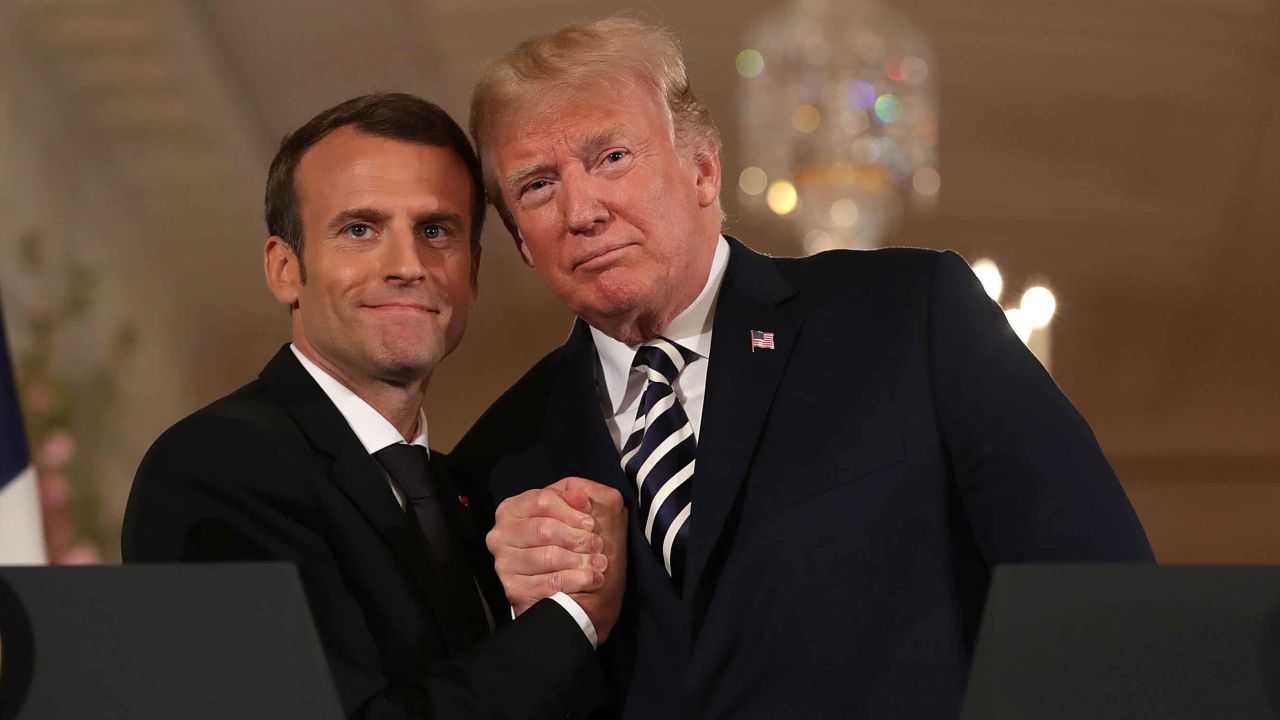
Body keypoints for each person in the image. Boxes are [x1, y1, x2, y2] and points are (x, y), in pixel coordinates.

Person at [450, 19, 1155, 718]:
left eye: (611, 158)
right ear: (519, 239)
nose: (582, 210)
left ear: (702, 168)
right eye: (537, 186)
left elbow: (1097, 601)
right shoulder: (500, 459)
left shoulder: (909, 317)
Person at [121, 92, 625, 720]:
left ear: (472, 275)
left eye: (435, 231)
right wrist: (570, 619)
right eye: (360, 229)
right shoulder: (214, 467)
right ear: (285, 268)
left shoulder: (468, 491)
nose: (408, 265)